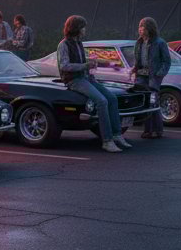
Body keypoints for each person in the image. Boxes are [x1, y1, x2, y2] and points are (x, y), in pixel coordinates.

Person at [57, 15, 130, 153]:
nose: (85, 29)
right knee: (101, 101)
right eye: (83, 26)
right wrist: (84, 65)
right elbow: (64, 66)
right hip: (74, 80)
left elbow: (82, 63)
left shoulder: (78, 43)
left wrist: (90, 68)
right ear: (76, 28)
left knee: (112, 99)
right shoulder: (63, 45)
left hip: (86, 78)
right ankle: (107, 141)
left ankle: (117, 135)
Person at [131, 16, 172, 138]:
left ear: (149, 28)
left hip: (154, 76)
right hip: (141, 76)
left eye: (143, 27)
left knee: (153, 102)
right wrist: (134, 68)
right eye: (139, 27)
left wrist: (160, 73)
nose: (140, 29)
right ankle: (147, 130)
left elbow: (166, 61)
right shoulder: (138, 43)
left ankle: (157, 130)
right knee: (144, 102)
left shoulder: (160, 42)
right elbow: (138, 60)